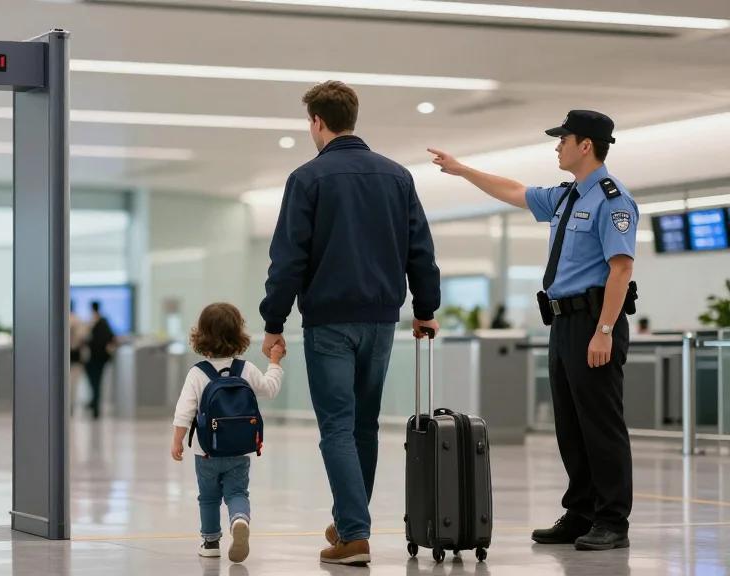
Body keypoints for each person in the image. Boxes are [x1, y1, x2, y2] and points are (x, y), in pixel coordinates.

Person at [429, 109, 637, 551]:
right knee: (570, 424)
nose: (557, 145)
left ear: (586, 145)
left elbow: (620, 270)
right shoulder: (566, 198)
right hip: (562, 322)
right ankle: (581, 512)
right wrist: (463, 170)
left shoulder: (612, 199)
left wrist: (604, 330)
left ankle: (612, 520)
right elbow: (514, 191)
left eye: (564, 139)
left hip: (594, 321)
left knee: (600, 424)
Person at [260, 80, 441, 566]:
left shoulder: (308, 179)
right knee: (362, 426)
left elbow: (288, 259)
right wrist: (425, 309)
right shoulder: (398, 177)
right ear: (352, 118)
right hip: (382, 322)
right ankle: (347, 522)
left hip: (329, 323)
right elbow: (420, 249)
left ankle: (354, 534)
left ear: (316, 122)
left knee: (337, 426)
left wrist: (273, 321)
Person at [171, 303, 285, 563]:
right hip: (239, 449)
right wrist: (275, 362)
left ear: (200, 335)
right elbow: (270, 389)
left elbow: (184, 411)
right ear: (238, 335)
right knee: (237, 493)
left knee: (209, 497)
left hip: (206, 452)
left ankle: (211, 542)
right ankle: (239, 520)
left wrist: (177, 440)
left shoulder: (198, 373)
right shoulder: (245, 369)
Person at [84, 301, 116, 420]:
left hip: (95, 359)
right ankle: (94, 406)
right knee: (96, 383)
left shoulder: (96, 323)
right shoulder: (103, 322)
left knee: (95, 383)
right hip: (100, 359)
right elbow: (111, 338)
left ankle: (95, 407)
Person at [69, 301, 87, 414]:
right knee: (73, 383)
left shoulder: (59, 319)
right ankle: (70, 405)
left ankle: (66, 405)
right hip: (75, 356)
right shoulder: (77, 320)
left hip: (67, 356)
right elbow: (82, 338)